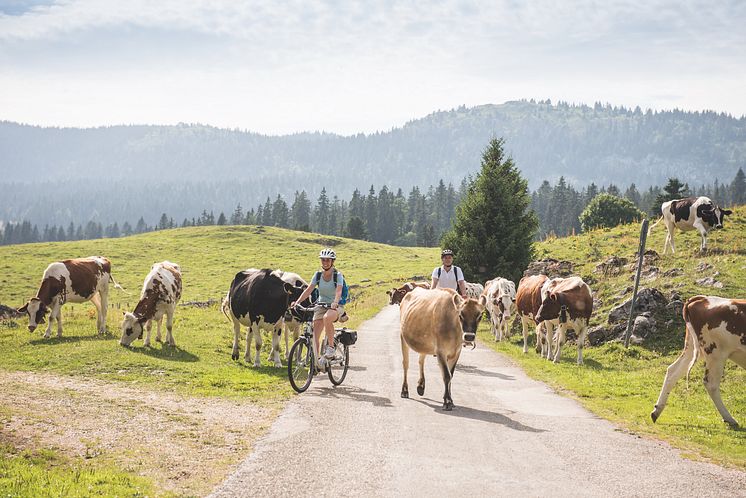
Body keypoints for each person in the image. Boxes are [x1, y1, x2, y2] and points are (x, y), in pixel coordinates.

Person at [291, 248, 346, 368]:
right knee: (314, 337)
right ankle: (316, 363)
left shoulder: (337, 275)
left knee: (327, 318)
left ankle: (331, 348)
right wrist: (297, 302)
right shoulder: (318, 275)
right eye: (323, 260)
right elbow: (309, 289)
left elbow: (339, 291)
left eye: (328, 260)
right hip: (321, 305)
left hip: (336, 306)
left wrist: (335, 302)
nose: (325, 262)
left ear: (332, 261)